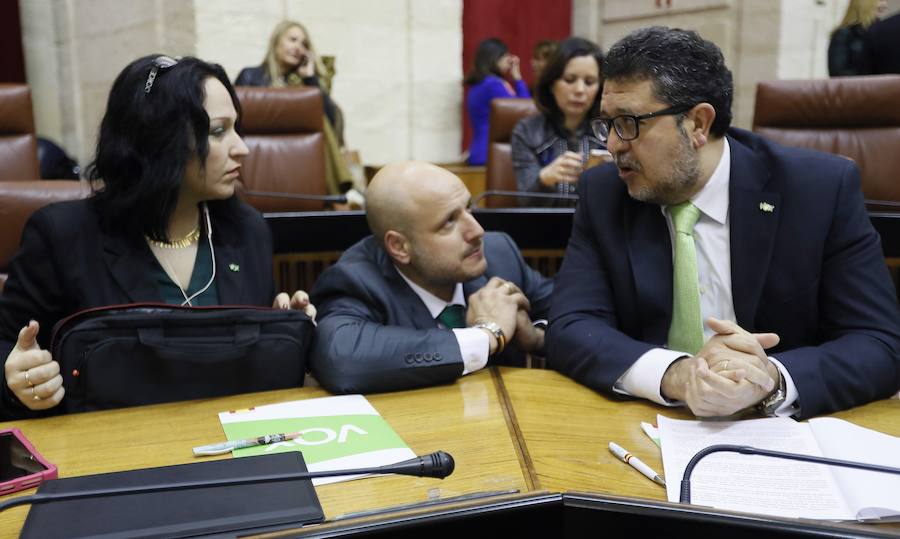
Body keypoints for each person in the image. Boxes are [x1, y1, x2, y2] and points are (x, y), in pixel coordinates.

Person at [546, 26, 900, 420]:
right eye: (608, 124)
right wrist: (676, 374)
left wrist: (773, 380)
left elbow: (879, 343)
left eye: (628, 123)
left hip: (784, 434)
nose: (612, 145)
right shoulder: (604, 193)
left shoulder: (818, 191)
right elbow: (570, 327)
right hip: (649, 426)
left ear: (698, 124)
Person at [0, 55, 315, 420]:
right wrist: (15, 376)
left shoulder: (248, 231)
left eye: (236, 128)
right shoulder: (63, 235)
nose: (242, 147)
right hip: (106, 451)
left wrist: (281, 334)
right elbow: (7, 343)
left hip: (229, 447)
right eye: (218, 131)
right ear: (156, 141)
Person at [310, 161, 553, 393]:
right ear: (400, 247)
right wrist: (486, 335)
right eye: (449, 222)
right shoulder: (357, 280)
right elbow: (341, 358)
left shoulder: (499, 253)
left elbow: (578, 313)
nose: (478, 231)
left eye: (469, 208)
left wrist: (537, 338)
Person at [235, 20, 351, 194]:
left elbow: (330, 122)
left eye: (304, 44)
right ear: (276, 41)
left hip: (301, 163)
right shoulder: (251, 76)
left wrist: (310, 78)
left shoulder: (307, 84)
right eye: (293, 39)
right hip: (259, 161)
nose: (298, 47)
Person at [511, 37, 606, 206]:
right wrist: (544, 179)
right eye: (569, 80)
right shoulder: (527, 131)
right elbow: (524, 203)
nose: (580, 90)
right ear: (551, 84)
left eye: (589, 82)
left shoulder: (610, 131)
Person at [465, 38, 530, 166]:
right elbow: (525, 111)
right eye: (505, 55)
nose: (509, 59)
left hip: (479, 151)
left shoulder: (478, 84)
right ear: (494, 58)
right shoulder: (494, 84)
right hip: (491, 154)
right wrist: (518, 79)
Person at [828, 0, 886, 76]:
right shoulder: (844, 34)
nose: (885, 5)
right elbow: (837, 72)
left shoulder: (881, 33)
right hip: (856, 86)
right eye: (880, 0)